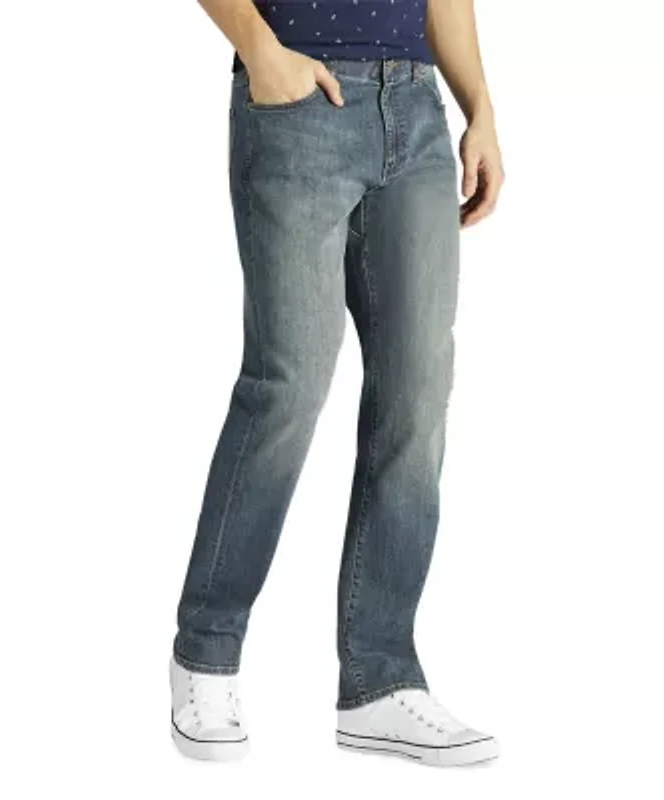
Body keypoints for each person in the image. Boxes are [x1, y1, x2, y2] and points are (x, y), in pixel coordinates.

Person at [170, 0, 504, 766]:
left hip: (415, 110)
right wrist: (261, 51)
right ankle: (205, 655)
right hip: (298, 100)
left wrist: (480, 108)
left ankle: (379, 682)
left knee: (417, 394)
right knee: (286, 386)